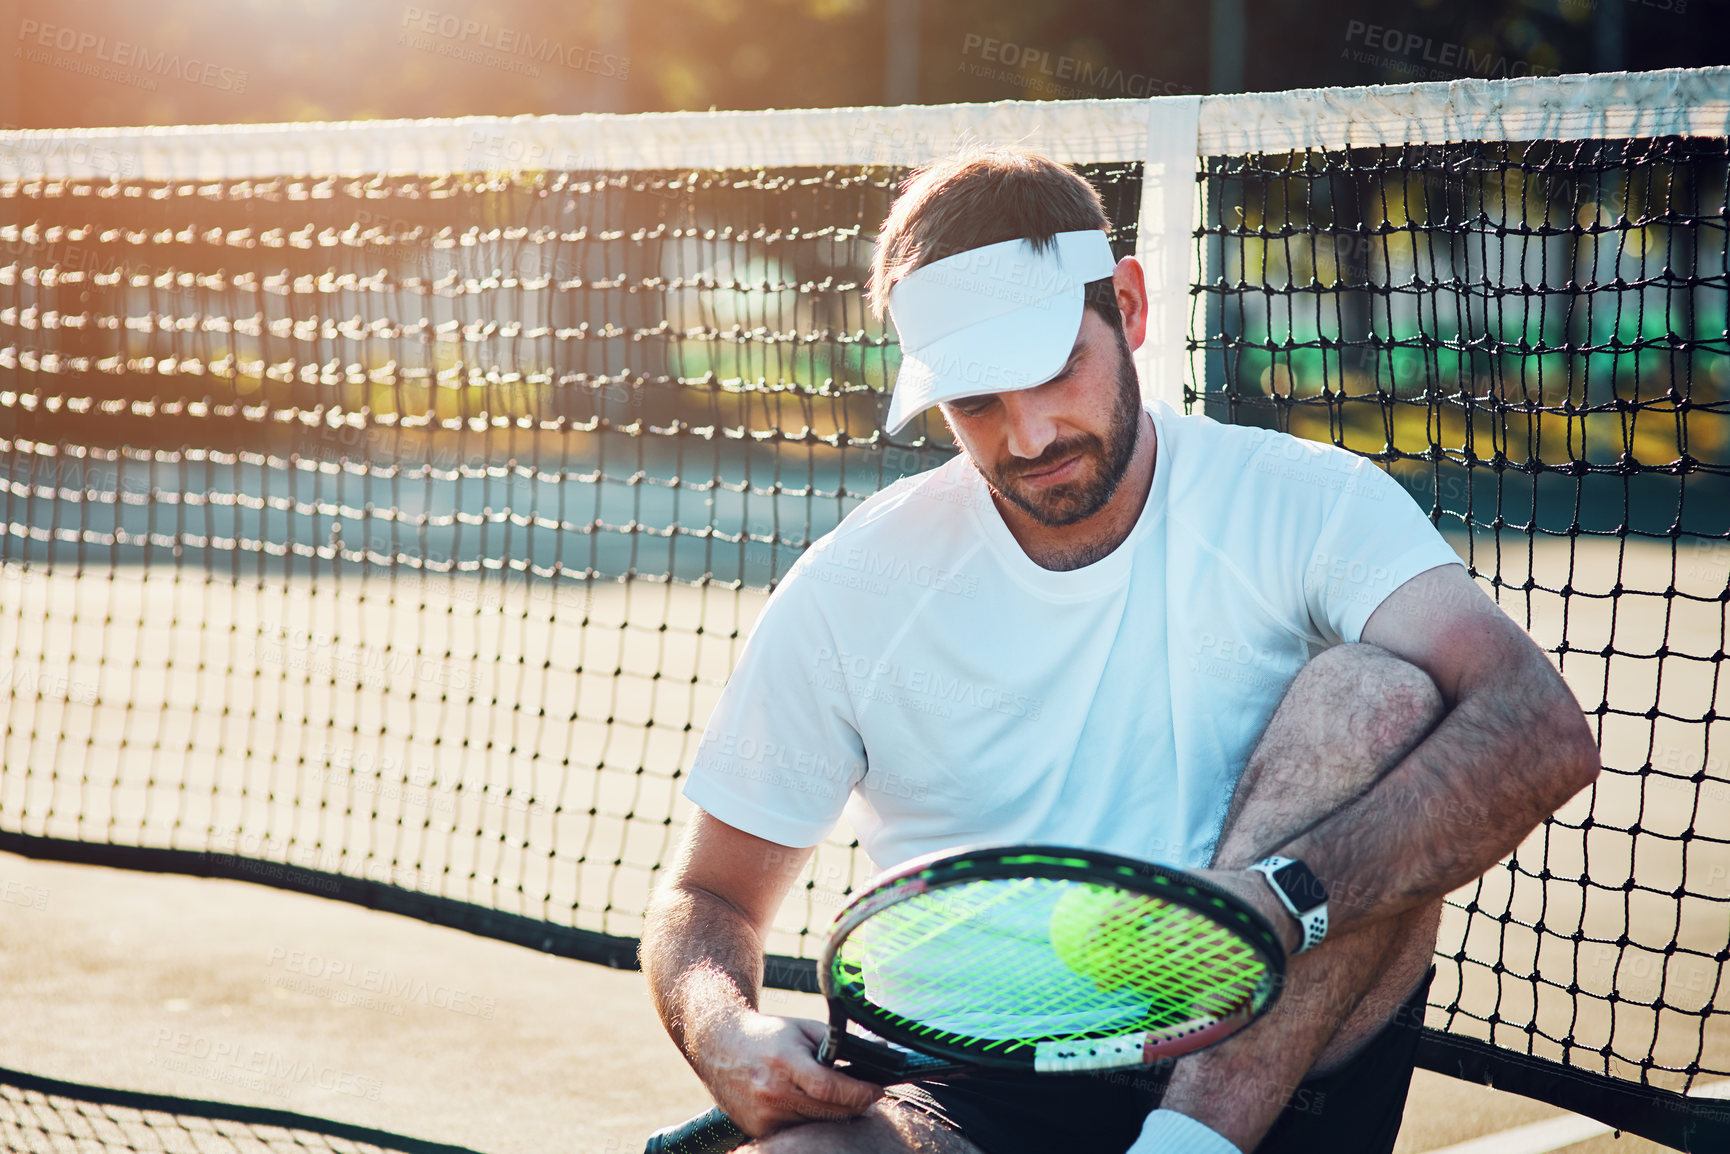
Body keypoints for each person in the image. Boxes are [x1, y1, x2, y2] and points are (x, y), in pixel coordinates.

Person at [639, 147, 1598, 1154]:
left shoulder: (1310, 502)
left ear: (1128, 306)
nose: (1029, 431)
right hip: (959, 1085)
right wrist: (724, 1031)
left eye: (1053, 366)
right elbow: (705, 896)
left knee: (1377, 694)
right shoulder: (851, 583)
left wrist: (1280, 900)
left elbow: (1535, 725)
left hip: (1263, 1065)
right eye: (974, 402)